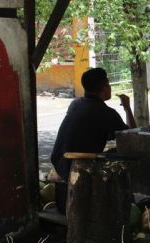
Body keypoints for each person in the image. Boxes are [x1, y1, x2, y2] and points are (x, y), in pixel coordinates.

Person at [50, 67, 136, 212]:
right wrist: (127, 108)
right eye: (108, 85)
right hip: (77, 165)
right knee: (124, 155)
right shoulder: (107, 113)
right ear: (104, 88)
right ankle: (117, 203)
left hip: (59, 160)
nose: (110, 88)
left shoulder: (75, 104)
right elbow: (131, 136)